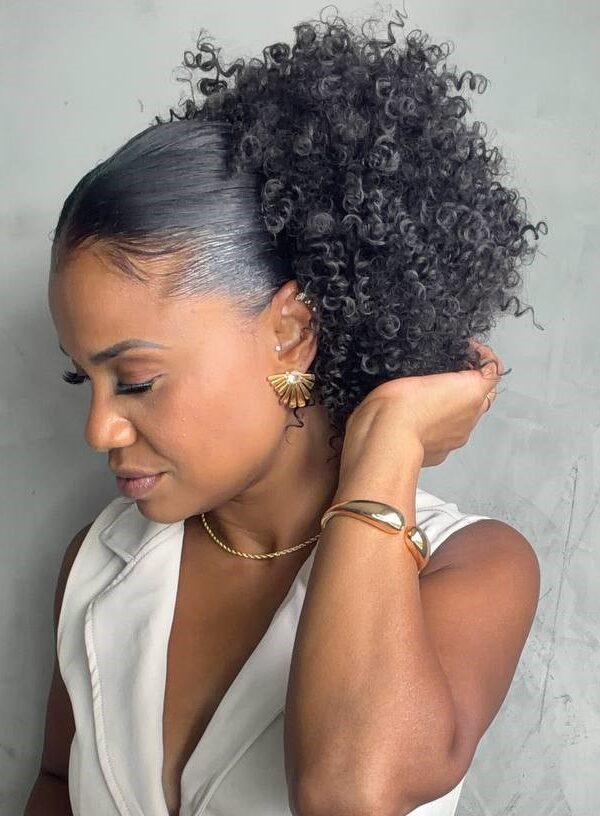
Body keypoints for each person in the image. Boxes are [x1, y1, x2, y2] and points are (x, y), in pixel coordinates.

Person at [25, 8, 543, 816]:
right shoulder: (99, 561)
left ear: (291, 333)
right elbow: (58, 785)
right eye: (80, 378)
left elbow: (349, 792)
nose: (99, 430)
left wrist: (389, 440)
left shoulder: (471, 567)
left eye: (135, 380)